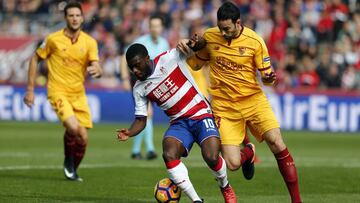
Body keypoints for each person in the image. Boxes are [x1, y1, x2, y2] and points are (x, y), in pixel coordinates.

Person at [177, 2, 302, 203]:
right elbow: (196, 64)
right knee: (233, 163)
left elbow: (267, 75)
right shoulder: (209, 37)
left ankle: (297, 200)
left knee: (277, 142)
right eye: (220, 28)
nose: (223, 32)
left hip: (253, 101)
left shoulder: (255, 41)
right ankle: (249, 152)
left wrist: (270, 79)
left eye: (227, 28)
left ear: (238, 22)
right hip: (224, 107)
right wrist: (187, 48)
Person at [117, 43, 251, 203]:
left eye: (137, 65)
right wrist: (130, 132)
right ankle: (196, 200)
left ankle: (225, 186)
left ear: (147, 58)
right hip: (179, 123)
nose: (135, 71)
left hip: (201, 114)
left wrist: (195, 42)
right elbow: (141, 120)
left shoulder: (169, 58)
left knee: (212, 157)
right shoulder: (139, 88)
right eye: (132, 68)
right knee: (169, 154)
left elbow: (198, 46)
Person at [23, 1, 102, 182]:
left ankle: (72, 167)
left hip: (78, 93)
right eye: (71, 15)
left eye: (77, 15)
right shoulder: (53, 39)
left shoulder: (89, 42)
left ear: (82, 18)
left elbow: (96, 64)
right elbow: (35, 59)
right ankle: (69, 160)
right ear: (65, 18)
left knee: (83, 137)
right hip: (58, 91)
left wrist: (98, 70)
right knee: (74, 127)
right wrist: (30, 89)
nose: (74, 19)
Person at [129, 14, 170, 160]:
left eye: (158, 26)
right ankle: (151, 149)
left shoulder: (164, 43)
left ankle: (135, 151)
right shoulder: (140, 42)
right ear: (149, 27)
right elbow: (125, 58)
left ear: (161, 27)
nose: (155, 29)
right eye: (152, 26)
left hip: (155, 84)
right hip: (140, 83)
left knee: (145, 117)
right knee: (148, 114)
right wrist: (123, 77)